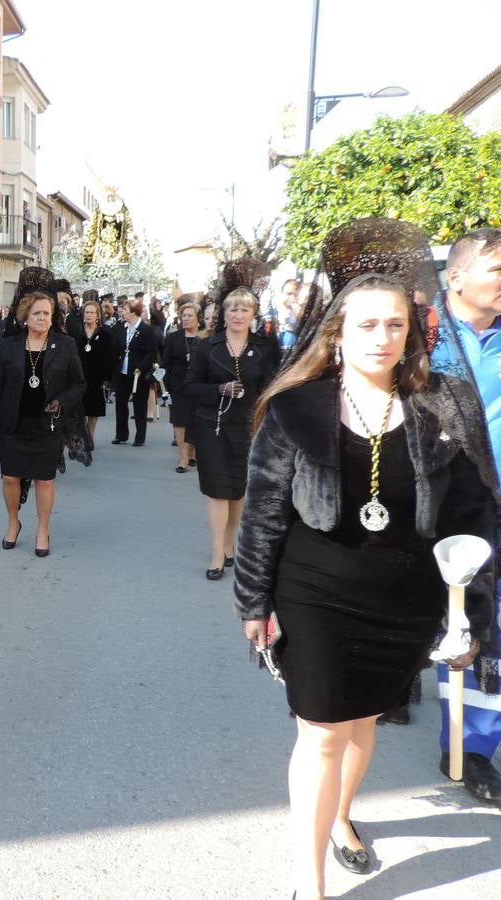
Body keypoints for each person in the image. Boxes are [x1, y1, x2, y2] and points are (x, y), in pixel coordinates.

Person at [236, 233, 492, 900]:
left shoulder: (445, 402)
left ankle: (341, 814)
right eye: (368, 324)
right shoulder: (295, 407)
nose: (382, 337)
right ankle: (308, 879)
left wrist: (474, 610)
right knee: (321, 729)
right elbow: (263, 513)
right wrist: (253, 604)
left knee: (359, 721)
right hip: (313, 591)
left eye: (396, 326)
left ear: (411, 334)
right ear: (338, 332)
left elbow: (471, 510)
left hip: (405, 596)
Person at [428, 227, 501, 803]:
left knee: (492, 626)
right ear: (456, 277)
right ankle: (462, 743)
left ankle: (475, 744)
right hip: (444, 503)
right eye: (496, 270)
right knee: (455, 621)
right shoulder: (420, 338)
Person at [0, 270, 85, 558]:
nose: (42, 318)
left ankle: (42, 530)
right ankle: (13, 523)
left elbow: (79, 384)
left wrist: (61, 401)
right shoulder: (10, 346)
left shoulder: (65, 345)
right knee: (10, 478)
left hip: (47, 424)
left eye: (47, 313)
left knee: (45, 480)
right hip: (14, 423)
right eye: (37, 313)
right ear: (25, 316)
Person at [186, 264, 278, 580]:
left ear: (253, 314)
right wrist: (219, 389)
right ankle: (215, 553)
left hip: (248, 427)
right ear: (223, 313)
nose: (238, 314)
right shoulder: (205, 346)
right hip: (211, 425)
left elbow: (271, 387)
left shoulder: (265, 348)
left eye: (245, 309)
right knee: (217, 490)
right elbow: (190, 386)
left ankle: (229, 543)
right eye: (233, 308)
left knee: (237, 492)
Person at [112, 296, 158, 447]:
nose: (121, 312)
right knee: (120, 404)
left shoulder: (146, 330)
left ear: (133, 312)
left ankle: (140, 436)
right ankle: (121, 434)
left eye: (124, 310)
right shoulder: (121, 328)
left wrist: (141, 367)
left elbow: (151, 352)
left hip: (139, 373)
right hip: (122, 372)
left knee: (139, 405)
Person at [163, 300, 201, 472]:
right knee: (179, 422)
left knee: (196, 420)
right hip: (179, 386)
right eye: (183, 315)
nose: (185, 319)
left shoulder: (205, 338)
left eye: (189, 315)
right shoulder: (173, 338)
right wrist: (166, 387)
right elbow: (166, 363)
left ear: (198, 319)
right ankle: (183, 458)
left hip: (200, 386)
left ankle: (193, 453)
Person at [76, 298, 115, 440]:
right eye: (86, 312)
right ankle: (80, 436)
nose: (89, 315)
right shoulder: (77, 332)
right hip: (79, 376)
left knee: (93, 410)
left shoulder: (105, 333)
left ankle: (90, 436)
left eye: (92, 312)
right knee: (78, 409)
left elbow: (110, 357)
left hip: (97, 377)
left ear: (98, 315)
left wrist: (107, 379)